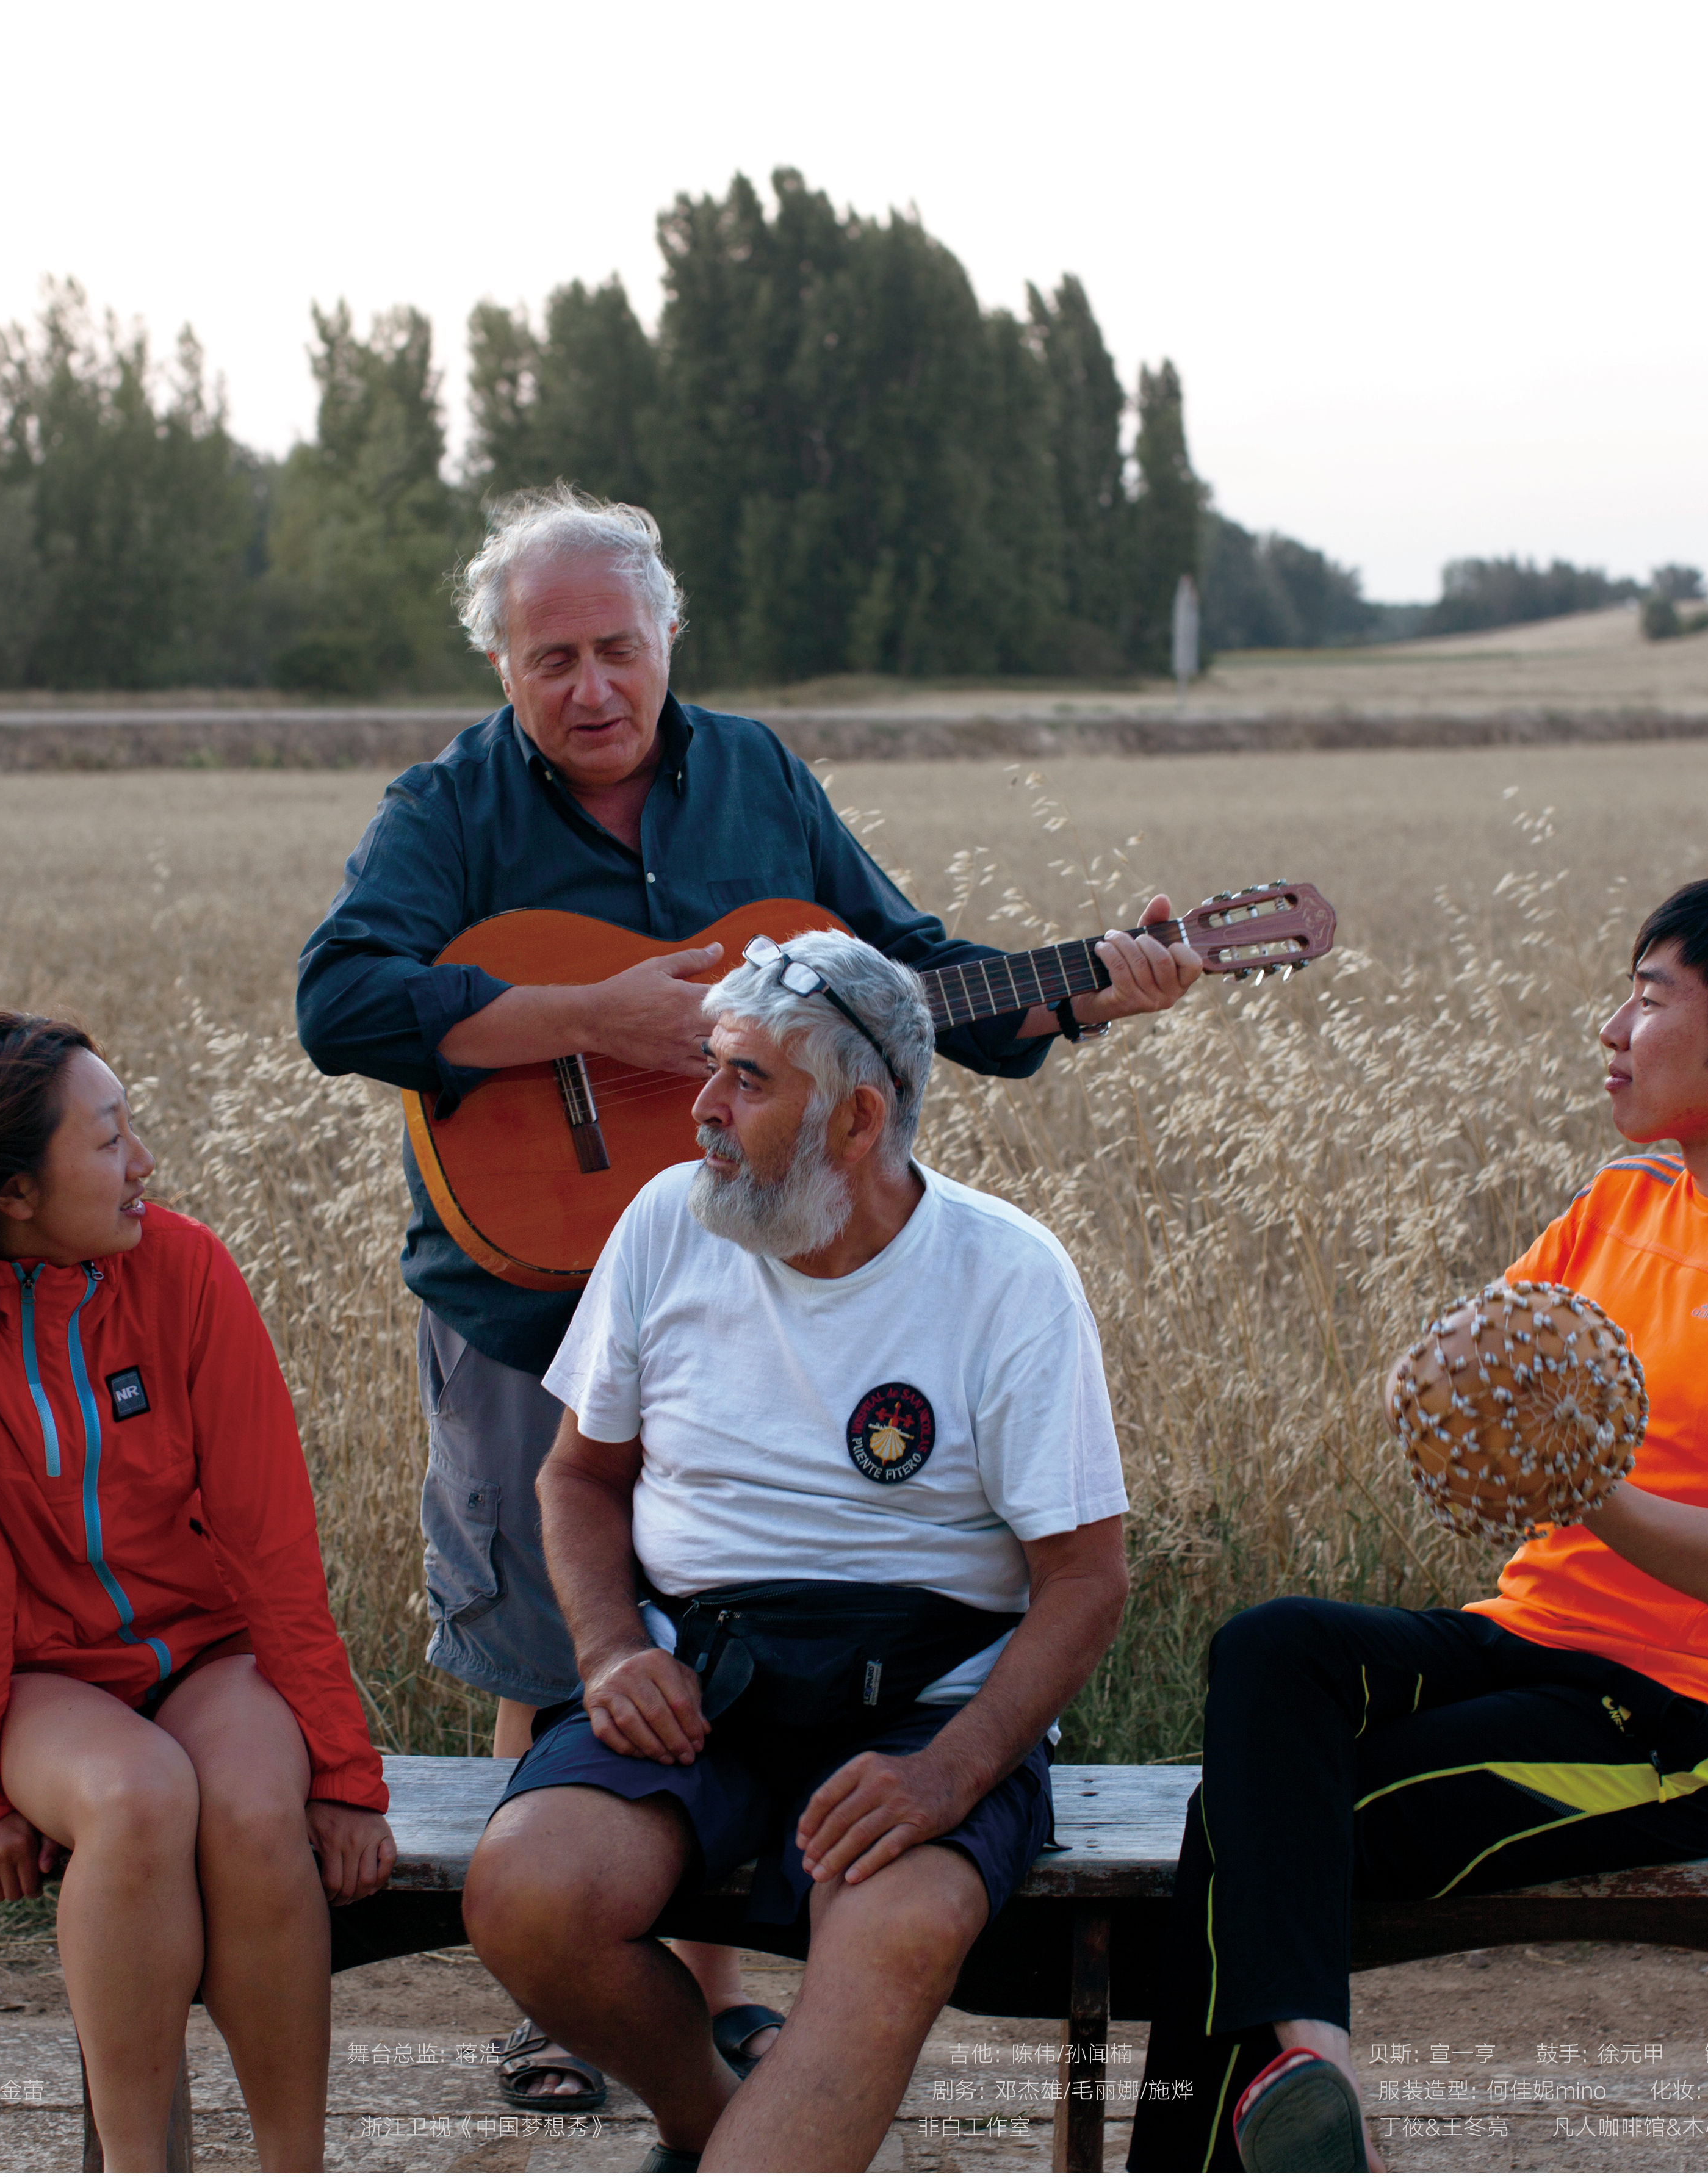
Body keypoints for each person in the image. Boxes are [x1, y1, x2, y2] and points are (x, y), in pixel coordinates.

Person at [292, 485, 1197, 2101]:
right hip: (528, 1279)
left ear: (665, 642)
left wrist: (1078, 990)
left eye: (615, 650)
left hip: (758, 1276)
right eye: (549, 656)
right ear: (501, 666)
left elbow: (896, 970)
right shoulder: (448, 806)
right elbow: (340, 998)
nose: (588, 687)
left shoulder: (759, 776)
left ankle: (701, 2031)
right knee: (550, 1648)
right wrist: (584, 1019)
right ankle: (579, 2005)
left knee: (699, 1619)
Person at [1126, 873, 1708, 2172]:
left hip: (1672, 1719)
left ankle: (1260, 2116)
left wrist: (1573, 1474)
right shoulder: (1621, 1203)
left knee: (1245, 1831)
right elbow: (1479, 1369)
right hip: (1522, 1634)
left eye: (1648, 997)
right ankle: (1308, 2068)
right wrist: (1432, 1395)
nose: (1610, 1026)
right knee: (1272, 1647)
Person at [461, 930, 1130, 2171]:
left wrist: (950, 1771)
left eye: (746, 1079)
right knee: (526, 1892)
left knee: (890, 1928)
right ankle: (714, 2120)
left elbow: (1086, 1578)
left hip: (927, 1711)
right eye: (711, 1066)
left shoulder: (1006, 1277)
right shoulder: (668, 1221)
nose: (702, 1108)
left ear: (859, 1115)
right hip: (694, 1686)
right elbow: (578, 1475)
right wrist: (609, 1651)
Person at [0, 1011, 393, 2172]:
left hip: (205, 1653)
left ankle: (294, 2168)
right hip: (43, 1680)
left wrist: (339, 1764)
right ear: (14, 1189)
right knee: (133, 1798)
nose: (145, 1167)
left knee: (254, 1812)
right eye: (112, 1140)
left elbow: (272, 1546)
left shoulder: (186, 1271)